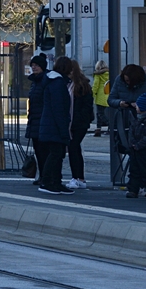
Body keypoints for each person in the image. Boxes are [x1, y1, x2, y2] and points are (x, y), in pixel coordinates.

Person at [38, 58, 74, 195]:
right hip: (54, 125)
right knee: (56, 154)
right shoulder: (58, 84)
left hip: (49, 124)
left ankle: (55, 182)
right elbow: (59, 108)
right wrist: (64, 129)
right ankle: (48, 182)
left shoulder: (52, 82)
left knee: (56, 154)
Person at [59, 57, 95, 190]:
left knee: (73, 147)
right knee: (74, 148)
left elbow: (86, 106)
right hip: (74, 122)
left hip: (78, 122)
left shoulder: (80, 85)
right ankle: (79, 177)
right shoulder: (68, 84)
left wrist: (82, 118)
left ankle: (78, 177)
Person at [26, 54, 48, 185]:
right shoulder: (34, 82)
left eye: (36, 66)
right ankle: (42, 175)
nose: (34, 68)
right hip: (35, 120)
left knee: (44, 151)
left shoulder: (44, 81)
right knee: (38, 151)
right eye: (33, 65)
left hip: (42, 121)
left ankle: (45, 175)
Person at [91, 60, 111, 137]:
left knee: (100, 114)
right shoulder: (110, 74)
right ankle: (104, 129)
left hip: (101, 97)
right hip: (108, 96)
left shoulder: (98, 75)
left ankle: (99, 129)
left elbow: (95, 86)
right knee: (106, 114)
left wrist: (92, 95)